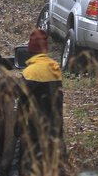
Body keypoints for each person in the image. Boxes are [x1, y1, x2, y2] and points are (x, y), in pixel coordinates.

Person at [19, 29, 64, 167]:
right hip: (55, 124)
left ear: (30, 50)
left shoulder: (31, 72)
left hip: (35, 127)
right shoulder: (54, 67)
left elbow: (19, 96)